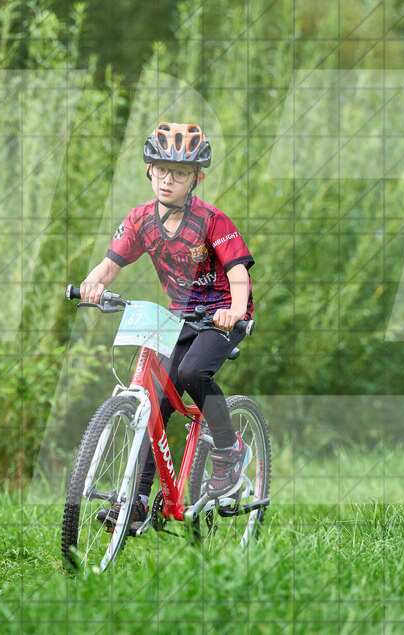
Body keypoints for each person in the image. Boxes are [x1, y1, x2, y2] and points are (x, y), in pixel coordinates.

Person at [80, 122, 255, 530]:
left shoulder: (211, 220)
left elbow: (239, 274)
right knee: (154, 396)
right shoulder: (141, 219)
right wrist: (93, 283)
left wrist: (237, 310)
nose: (167, 180)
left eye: (179, 173)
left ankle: (230, 451)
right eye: (160, 170)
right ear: (148, 170)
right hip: (179, 315)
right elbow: (109, 265)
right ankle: (139, 499)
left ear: (197, 178)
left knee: (193, 371)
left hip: (221, 312)